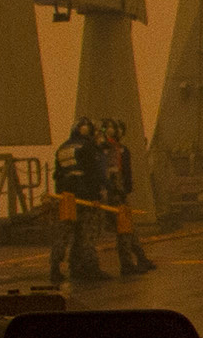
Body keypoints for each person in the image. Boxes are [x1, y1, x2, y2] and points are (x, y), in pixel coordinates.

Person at [51, 117, 109, 285]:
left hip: (67, 197)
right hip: (85, 198)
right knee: (86, 235)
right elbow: (93, 172)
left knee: (64, 234)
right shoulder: (88, 146)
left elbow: (58, 174)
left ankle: (55, 269)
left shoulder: (63, 147)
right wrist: (96, 196)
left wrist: (60, 194)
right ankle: (90, 268)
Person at [97, 118, 156, 275]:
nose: (117, 131)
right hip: (114, 193)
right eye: (112, 128)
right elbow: (109, 171)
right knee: (124, 229)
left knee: (128, 227)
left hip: (118, 192)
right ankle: (127, 264)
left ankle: (140, 258)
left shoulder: (117, 148)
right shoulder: (107, 148)